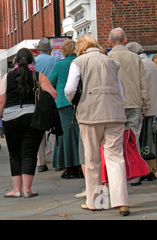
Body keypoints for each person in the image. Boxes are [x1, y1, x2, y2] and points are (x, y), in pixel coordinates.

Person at [65, 34, 130, 216]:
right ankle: (122, 201)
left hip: (90, 114)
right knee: (116, 158)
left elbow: (70, 89)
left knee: (92, 159)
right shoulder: (111, 62)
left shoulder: (79, 61)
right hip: (114, 113)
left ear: (81, 47)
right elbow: (121, 90)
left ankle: (97, 202)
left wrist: (76, 102)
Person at [0, 48, 57, 198]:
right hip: (32, 117)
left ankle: (16, 190)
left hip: (10, 118)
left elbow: (1, 101)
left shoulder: (7, 77)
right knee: (29, 154)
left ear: (16, 62)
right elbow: (53, 94)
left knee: (15, 154)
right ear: (32, 61)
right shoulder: (37, 75)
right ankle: (27, 190)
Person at [108, 27, 150, 186]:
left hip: (115, 105)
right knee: (134, 139)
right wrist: (145, 104)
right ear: (125, 40)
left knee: (116, 142)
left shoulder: (108, 58)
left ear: (110, 41)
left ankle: (119, 174)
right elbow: (142, 83)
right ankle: (135, 174)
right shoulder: (135, 58)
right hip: (134, 103)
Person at [48, 40, 82, 178]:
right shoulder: (81, 62)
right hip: (80, 102)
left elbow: (50, 83)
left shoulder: (60, 65)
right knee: (80, 135)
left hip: (63, 103)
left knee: (66, 136)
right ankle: (81, 165)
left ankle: (69, 166)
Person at [126, 42, 157, 180]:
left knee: (141, 142)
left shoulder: (141, 65)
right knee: (148, 143)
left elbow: (141, 87)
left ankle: (143, 171)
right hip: (152, 108)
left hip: (145, 109)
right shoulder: (150, 63)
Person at [34, 37, 60, 172]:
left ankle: (41, 163)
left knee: (39, 130)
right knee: (53, 129)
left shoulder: (33, 62)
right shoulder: (55, 60)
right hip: (52, 96)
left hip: (37, 98)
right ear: (50, 50)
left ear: (38, 50)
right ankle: (57, 161)